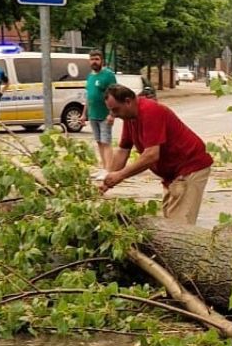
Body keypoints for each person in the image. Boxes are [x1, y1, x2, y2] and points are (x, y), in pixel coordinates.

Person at [97, 84, 213, 224]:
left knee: (179, 228)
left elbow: (151, 155)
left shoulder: (149, 111)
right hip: (171, 174)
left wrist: (121, 175)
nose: (114, 115)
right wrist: (107, 181)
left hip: (190, 166)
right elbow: (123, 150)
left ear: (128, 101)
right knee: (169, 222)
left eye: (116, 110)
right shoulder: (130, 118)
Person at [83, 50, 118, 169]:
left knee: (106, 142)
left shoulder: (108, 75)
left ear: (101, 60)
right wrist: (84, 114)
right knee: (99, 142)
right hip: (93, 115)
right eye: (92, 59)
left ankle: (109, 170)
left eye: (97, 59)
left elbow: (115, 95)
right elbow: (89, 96)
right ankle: (103, 168)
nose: (94, 62)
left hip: (105, 115)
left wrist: (112, 114)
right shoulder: (90, 76)